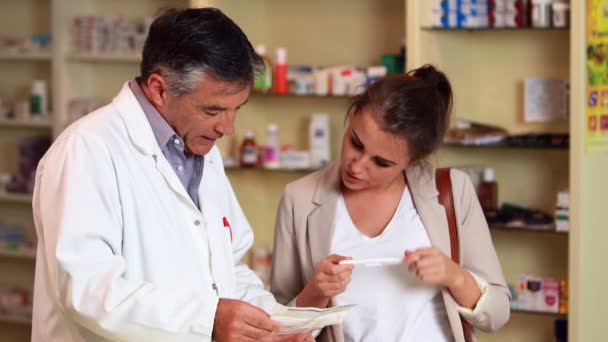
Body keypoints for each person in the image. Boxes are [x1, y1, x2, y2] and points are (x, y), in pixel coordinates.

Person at [31, 8, 313, 342]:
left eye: (237, 109)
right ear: (160, 89)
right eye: (213, 110)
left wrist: (274, 326)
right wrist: (208, 320)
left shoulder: (202, 150)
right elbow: (87, 291)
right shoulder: (86, 151)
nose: (228, 127)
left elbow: (227, 269)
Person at [270, 65, 511, 342]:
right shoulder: (299, 200)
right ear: (351, 118)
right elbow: (278, 329)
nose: (357, 167)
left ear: (414, 160)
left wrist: (455, 276)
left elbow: (497, 313)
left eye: (382, 162)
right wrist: (317, 292)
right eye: (356, 143)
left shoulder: (451, 192)